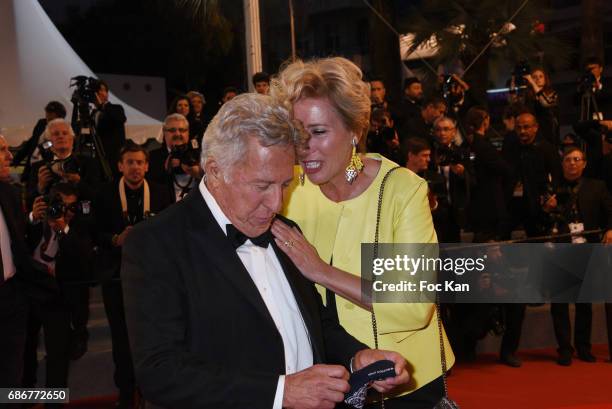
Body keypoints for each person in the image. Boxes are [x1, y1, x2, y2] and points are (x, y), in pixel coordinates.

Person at [121, 93, 409, 409]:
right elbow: (160, 372)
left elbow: (315, 324)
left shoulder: (284, 230)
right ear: (215, 171)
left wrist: (356, 358)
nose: (276, 203)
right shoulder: (157, 242)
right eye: (262, 186)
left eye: (285, 185)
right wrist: (279, 393)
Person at [271, 57, 454, 407]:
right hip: (327, 380)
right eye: (297, 133)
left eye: (319, 131)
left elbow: (414, 305)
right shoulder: (287, 191)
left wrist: (321, 272)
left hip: (405, 385)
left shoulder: (402, 190)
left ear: (355, 130)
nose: (304, 146)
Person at [95, 143, 172, 408]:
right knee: (120, 338)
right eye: (130, 162)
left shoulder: (162, 193)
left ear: (147, 166)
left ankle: (152, 389)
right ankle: (126, 394)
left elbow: (171, 232)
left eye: (140, 162)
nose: (135, 167)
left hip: (154, 278)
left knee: (153, 335)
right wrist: (116, 239)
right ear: (120, 166)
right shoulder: (105, 194)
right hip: (116, 276)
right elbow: (95, 232)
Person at [542, 145, 612, 365]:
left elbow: (610, 212)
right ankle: (564, 348)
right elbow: (538, 221)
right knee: (560, 303)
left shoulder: (597, 186)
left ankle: (583, 347)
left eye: (576, 159)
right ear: (562, 164)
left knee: (585, 302)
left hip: (588, 249)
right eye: (568, 160)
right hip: (560, 250)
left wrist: (610, 229)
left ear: (584, 163)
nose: (572, 163)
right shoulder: (552, 187)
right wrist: (548, 209)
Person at [0, 134, 31, 388]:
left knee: (12, 379)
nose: (10, 156)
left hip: (12, 296)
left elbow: (20, 245)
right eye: (2, 150)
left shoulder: (9, 192)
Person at [148, 114, 202, 202]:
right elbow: (150, 187)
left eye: (182, 130)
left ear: (188, 132)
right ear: (164, 132)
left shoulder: (201, 155)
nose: (177, 134)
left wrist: (198, 173)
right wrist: (166, 170)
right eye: (172, 130)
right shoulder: (152, 157)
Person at [12, 101, 67, 182]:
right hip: (30, 168)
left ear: (60, 119)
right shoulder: (41, 123)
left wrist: (42, 147)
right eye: (47, 118)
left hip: (46, 172)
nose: (48, 122)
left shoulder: (64, 133)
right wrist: (15, 160)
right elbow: (31, 143)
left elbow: (51, 145)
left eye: (51, 120)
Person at [92, 79, 127, 180]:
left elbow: (121, 118)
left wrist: (103, 106)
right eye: (97, 90)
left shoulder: (116, 108)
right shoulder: (93, 114)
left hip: (114, 157)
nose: (100, 93)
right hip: (99, 158)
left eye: (103, 90)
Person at [523, 67, 560, 146]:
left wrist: (533, 83)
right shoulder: (527, 96)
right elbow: (512, 101)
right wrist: (513, 79)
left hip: (548, 129)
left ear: (545, 79)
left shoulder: (552, 94)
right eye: (534, 77)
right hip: (532, 130)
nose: (537, 79)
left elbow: (545, 103)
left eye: (540, 76)